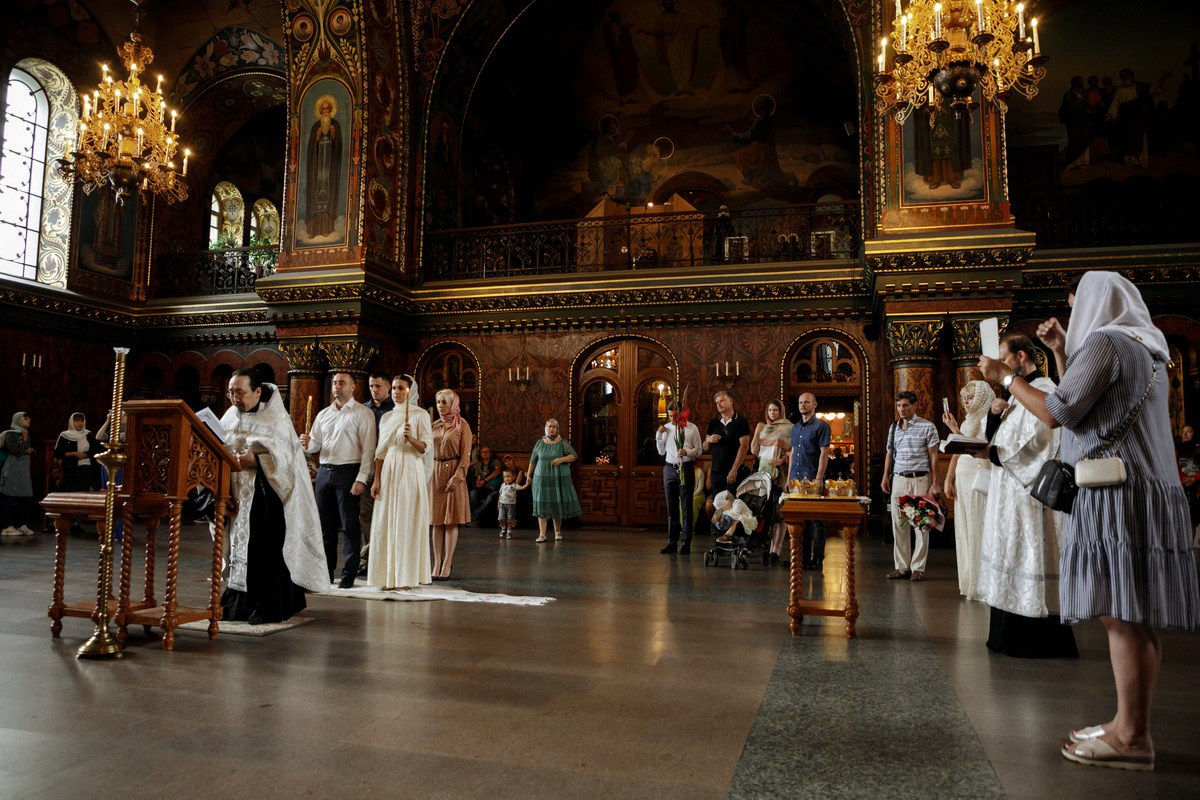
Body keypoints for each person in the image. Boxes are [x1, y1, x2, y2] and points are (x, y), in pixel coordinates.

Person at [980, 271, 1200, 771]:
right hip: (1146, 490)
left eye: (1077, 306)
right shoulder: (1145, 349)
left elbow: (1058, 411)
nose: (1074, 317)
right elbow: (1090, 407)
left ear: (1098, 305)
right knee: (1131, 611)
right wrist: (1061, 352)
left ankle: (1132, 738)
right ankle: (1128, 721)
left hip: (1114, 493)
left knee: (1121, 613)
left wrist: (1006, 378)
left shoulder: (1106, 343)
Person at [976, 335, 1077, 659]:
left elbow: (1045, 443)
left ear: (1020, 357)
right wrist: (994, 417)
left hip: (1029, 499)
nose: (998, 363)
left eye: (1003, 356)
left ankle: (1031, 640)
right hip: (1009, 497)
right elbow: (1004, 436)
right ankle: (1006, 636)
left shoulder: (1044, 390)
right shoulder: (1018, 394)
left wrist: (993, 455)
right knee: (1008, 555)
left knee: (1026, 555)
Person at [219, 370, 327, 624]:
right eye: (231, 392)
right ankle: (238, 606)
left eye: (240, 392)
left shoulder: (276, 419)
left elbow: (288, 463)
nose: (235, 398)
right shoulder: (228, 417)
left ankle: (268, 605)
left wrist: (256, 459)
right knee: (239, 548)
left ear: (257, 391)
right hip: (236, 495)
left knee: (263, 550)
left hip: (267, 497)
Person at [300, 371, 376, 589]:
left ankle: (349, 573)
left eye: (342, 383)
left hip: (348, 471)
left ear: (353, 388)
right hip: (324, 472)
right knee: (325, 526)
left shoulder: (363, 413)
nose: (336, 386)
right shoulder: (324, 413)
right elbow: (314, 445)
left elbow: (369, 450)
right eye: (334, 382)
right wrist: (304, 441)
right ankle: (325, 572)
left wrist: (362, 478)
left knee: (350, 526)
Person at [367, 375, 433, 589]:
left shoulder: (420, 415)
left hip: (410, 467)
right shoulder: (386, 417)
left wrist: (411, 438)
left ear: (409, 391)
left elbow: (426, 448)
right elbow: (380, 452)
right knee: (386, 519)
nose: (396, 392)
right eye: (394, 388)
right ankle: (387, 576)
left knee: (405, 519)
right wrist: (376, 480)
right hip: (389, 469)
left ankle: (405, 577)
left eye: (401, 388)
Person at [942, 380, 995, 599]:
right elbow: (958, 449)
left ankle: (983, 583)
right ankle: (969, 580)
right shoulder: (969, 419)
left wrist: (954, 430)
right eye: (964, 398)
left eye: (970, 397)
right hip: (962, 478)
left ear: (982, 397)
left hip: (977, 475)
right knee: (964, 526)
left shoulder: (988, 418)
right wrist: (949, 476)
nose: (966, 402)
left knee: (977, 525)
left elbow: (977, 447)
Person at [881, 390, 940, 581]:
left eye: (906, 405)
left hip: (920, 479)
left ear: (914, 406)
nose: (902, 409)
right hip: (899, 478)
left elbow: (933, 456)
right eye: (899, 406)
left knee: (921, 525)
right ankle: (902, 567)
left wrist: (936, 481)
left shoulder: (927, 427)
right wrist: (885, 476)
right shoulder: (893, 427)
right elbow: (890, 453)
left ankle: (918, 568)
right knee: (899, 523)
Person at [429, 389, 472, 581]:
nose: (440, 406)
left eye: (444, 402)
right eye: (438, 402)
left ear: (453, 403)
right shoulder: (434, 425)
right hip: (435, 473)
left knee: (450, 521)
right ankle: (437, 562)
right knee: (436, 521)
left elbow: (466, 456)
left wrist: (457, 477)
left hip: (453, 472)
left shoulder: (462, 426)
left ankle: (448, 562)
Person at [357, 371, 395, 576]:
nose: (374, 390)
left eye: (378, 386)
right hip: (368, 466)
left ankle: (387, 557)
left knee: (388, 512)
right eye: (372, 386)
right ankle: (368, 558)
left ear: (388, 387)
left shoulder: (396, 409)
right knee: (366, 513)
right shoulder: (363, 409)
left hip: (391, 465)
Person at [787, 393, 829, 569]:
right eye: (800, 402)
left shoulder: (821, 426)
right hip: (796, 479)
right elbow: (792, 453)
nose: (803, 405)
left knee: (817, 520)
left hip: (812, 477)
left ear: (814, 405)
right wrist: (789, 477)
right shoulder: (795, 427)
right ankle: (801, 558)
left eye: (806, 402)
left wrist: (819, 478)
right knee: (799, 519)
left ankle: (818, 559)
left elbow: (824, 453)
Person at [655, 401, 702, 555]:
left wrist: (687, 453)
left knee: (686, 506)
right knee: (672, 507)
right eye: (669, 416)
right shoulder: (666, 428)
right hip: (669, 468)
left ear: (681, 413)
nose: (672, 419)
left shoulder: (692, 428)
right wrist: (658, 435)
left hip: (686, 467)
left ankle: (686, 543)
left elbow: (699, 450)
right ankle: (671, 542)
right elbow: (661, 452)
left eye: (674, 415)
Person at [528, 418, 581, 542]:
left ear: (557, 429)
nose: (551, 429)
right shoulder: (539, 443)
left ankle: (557, 531)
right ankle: (542, 534)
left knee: (556, 503)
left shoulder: (562, 442)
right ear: (545, 428)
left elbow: (573, 455)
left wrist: (561, 460)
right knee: (542, 504)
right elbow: (532, 460)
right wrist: (529, 476)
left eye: (554, 427)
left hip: (557, 478)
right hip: (541, 480)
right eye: (549, 426)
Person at [704, 390, 751, 514]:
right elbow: (705, 447)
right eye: (717, 402)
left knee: (732, 506)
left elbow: (744, 446)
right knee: (717, 505)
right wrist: (708, 439)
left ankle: (730, 533)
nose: (719, 404)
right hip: (716, 472)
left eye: (722, 401)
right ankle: (721, 533)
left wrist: (734, 469)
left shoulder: (741, 421)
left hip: (733, 472)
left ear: (731, 401)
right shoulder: (713, 423)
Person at [304, 95, 343, 238]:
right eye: (323, 110)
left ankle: (327, 228)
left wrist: (333, 136)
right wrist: (316, 137)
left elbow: (339, 149)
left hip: (329, 170)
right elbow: (310, 151)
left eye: (328, 109)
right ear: (320, 112)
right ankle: (313, 230)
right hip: (317, 168)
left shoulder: (335, 125)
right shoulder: (316, 126)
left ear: (331, 111)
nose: (325, 112)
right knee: (315, 197)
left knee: (327, 198)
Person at [0, 412, 36, 537]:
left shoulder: (25, 433)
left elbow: (28, 449)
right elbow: (17, 452)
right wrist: (25, 443)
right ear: (18, 420)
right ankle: (6, 526)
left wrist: (27, 447)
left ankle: (21, 524)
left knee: (27, 496)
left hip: (23, 470)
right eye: (25, 418)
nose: (28, 420)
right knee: (8, 496)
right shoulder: (10, 434)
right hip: (12, 469)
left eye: (29, 418)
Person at [54, 412, 101, 492]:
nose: (79, 423)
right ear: (72, 422)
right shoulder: (64, 435)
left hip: (86, 469)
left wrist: (84, 455)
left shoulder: (88, 434)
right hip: (70, 470)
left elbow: (95, 450)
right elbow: (57, 453)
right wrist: (75, 454)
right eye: (76, 421)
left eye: (82, 421)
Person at [468, 444, 503, 525]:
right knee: (473, 493)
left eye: (487, 452)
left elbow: (497, 472)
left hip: (495, 488)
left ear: (490, 453)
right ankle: (477, 520)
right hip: (484, 488)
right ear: (480, 454)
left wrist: (485, 480)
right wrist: (478, 482)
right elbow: (478, 476)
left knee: (490, 497)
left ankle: (474, 517)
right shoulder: (479, 464)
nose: (485, 453)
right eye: (483, 452)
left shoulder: (495, 461)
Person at [496, 469, 526, 539]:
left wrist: (527, 484)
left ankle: (509, 532)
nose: (507, 478)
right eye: (505, 477)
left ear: (513, 477)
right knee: (501, 518)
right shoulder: (502, 485)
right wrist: (498, 502)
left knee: (510, 519)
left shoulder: (514, 485)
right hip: (502, 504)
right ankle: (503, 529)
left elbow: (521, 488)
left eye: (509, 476)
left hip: (511, 505)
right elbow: (500, 494)